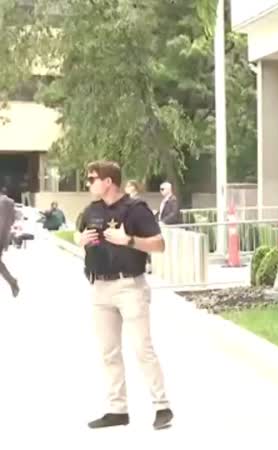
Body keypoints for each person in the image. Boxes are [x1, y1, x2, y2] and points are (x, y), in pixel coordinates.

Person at [76, 160, 173, 430]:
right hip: (100, 287)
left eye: (92, 178)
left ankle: (162, 406)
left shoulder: (135, 210)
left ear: (109, 181)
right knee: (109, 351)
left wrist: (128, 240)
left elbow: (159, 244)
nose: (88, 183)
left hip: (129, 285)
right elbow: (78, 233)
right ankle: (117, 410)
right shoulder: (92, 210)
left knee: (142, 347)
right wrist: (80, 240)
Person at [0, 188, 20, 297]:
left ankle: (12, 281)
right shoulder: (10, 203)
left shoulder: (1, 203)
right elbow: (12, 220)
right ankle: (12, 281)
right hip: (4, 236)